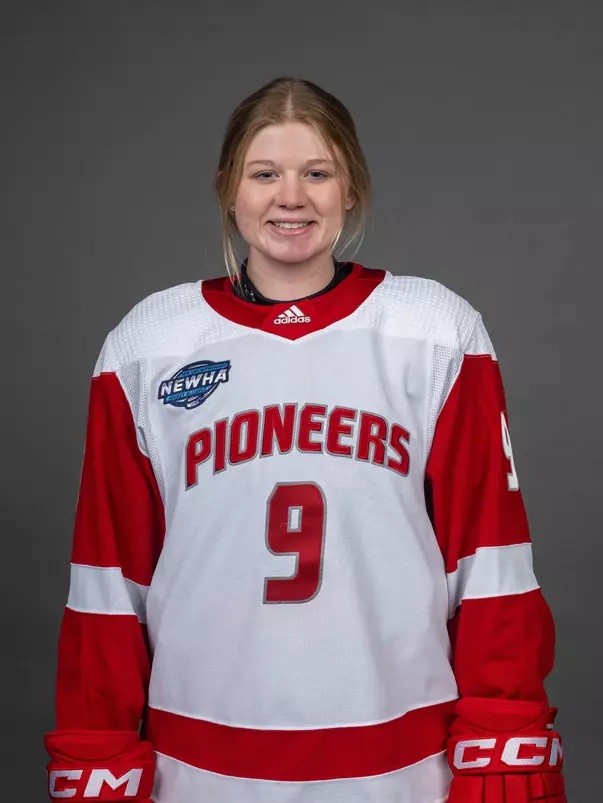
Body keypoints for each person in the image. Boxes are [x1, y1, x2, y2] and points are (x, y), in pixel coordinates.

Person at [45, 77, 566, 803]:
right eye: (264, 174)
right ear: (228, 190)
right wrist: (98, 748)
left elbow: (490, 558)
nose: (291, 197)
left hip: (400, 764)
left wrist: (503, 732)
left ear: (351, 189)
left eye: (316, 173)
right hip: (198, 767)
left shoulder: (433, 330)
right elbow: (109, 576)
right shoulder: (148, 344)